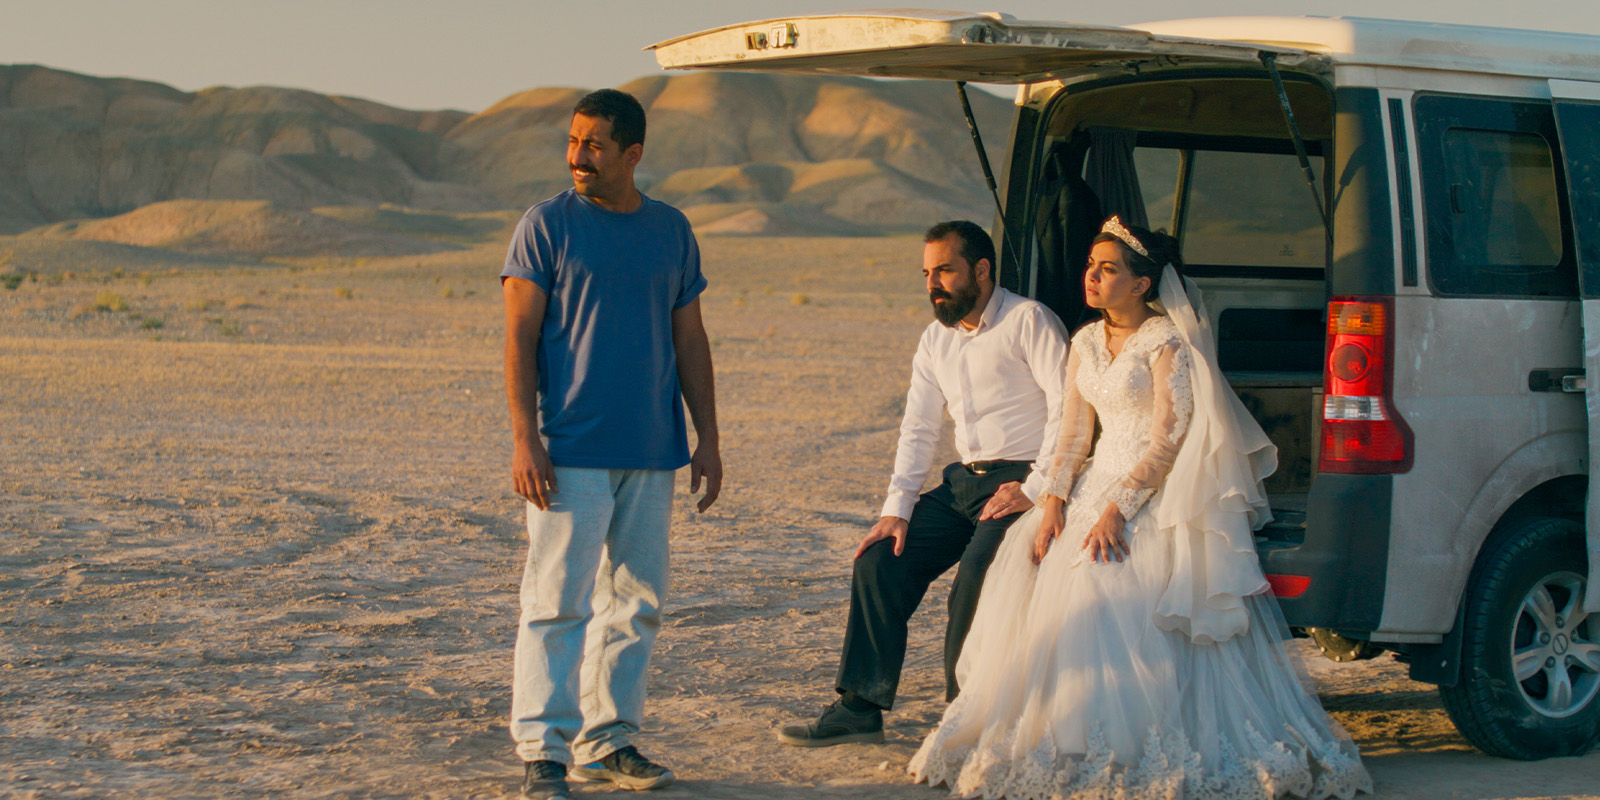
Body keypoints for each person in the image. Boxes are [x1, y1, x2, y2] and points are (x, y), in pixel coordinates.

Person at [907, 216, 1372, 799]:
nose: (1093, 277)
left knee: (1110, 582)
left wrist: (1119, 510)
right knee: (1038, 568)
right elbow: (1074, 434)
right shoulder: (1082, 341)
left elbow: (1167, 441)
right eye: (1090, 267)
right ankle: (1058, 729)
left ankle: (1128, 740)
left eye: (1108, 269)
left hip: (1151, 491)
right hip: (1090, 482)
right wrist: (1052, 502)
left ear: (1141, 284)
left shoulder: (1166, 343)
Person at [501, 88, 720, 800]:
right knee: (557, 600)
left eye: (593, 145)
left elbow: (690, 336)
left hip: (653, 449)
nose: (577, 156)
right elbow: (519, 335)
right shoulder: (546, 226)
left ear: (633, 154)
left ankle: (610, 739)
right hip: (569, 447)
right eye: (572, 142)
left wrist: (707, 437)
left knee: (635, 599)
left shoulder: (670, 230)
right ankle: (543, 748)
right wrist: (524, 438)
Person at [779, 220, 1070, 747]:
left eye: (944, 271)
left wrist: (1037, 485)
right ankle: (859, 708)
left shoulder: (1030, 321)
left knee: (975, 579)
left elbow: (1066, 409)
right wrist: (898, 509)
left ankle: (964, 717)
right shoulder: (935, 339)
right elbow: (918, 427)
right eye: (926, 273)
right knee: (878, 561)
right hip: (965, 484)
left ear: (981, 271)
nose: (932, 283)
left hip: (1023, 480)